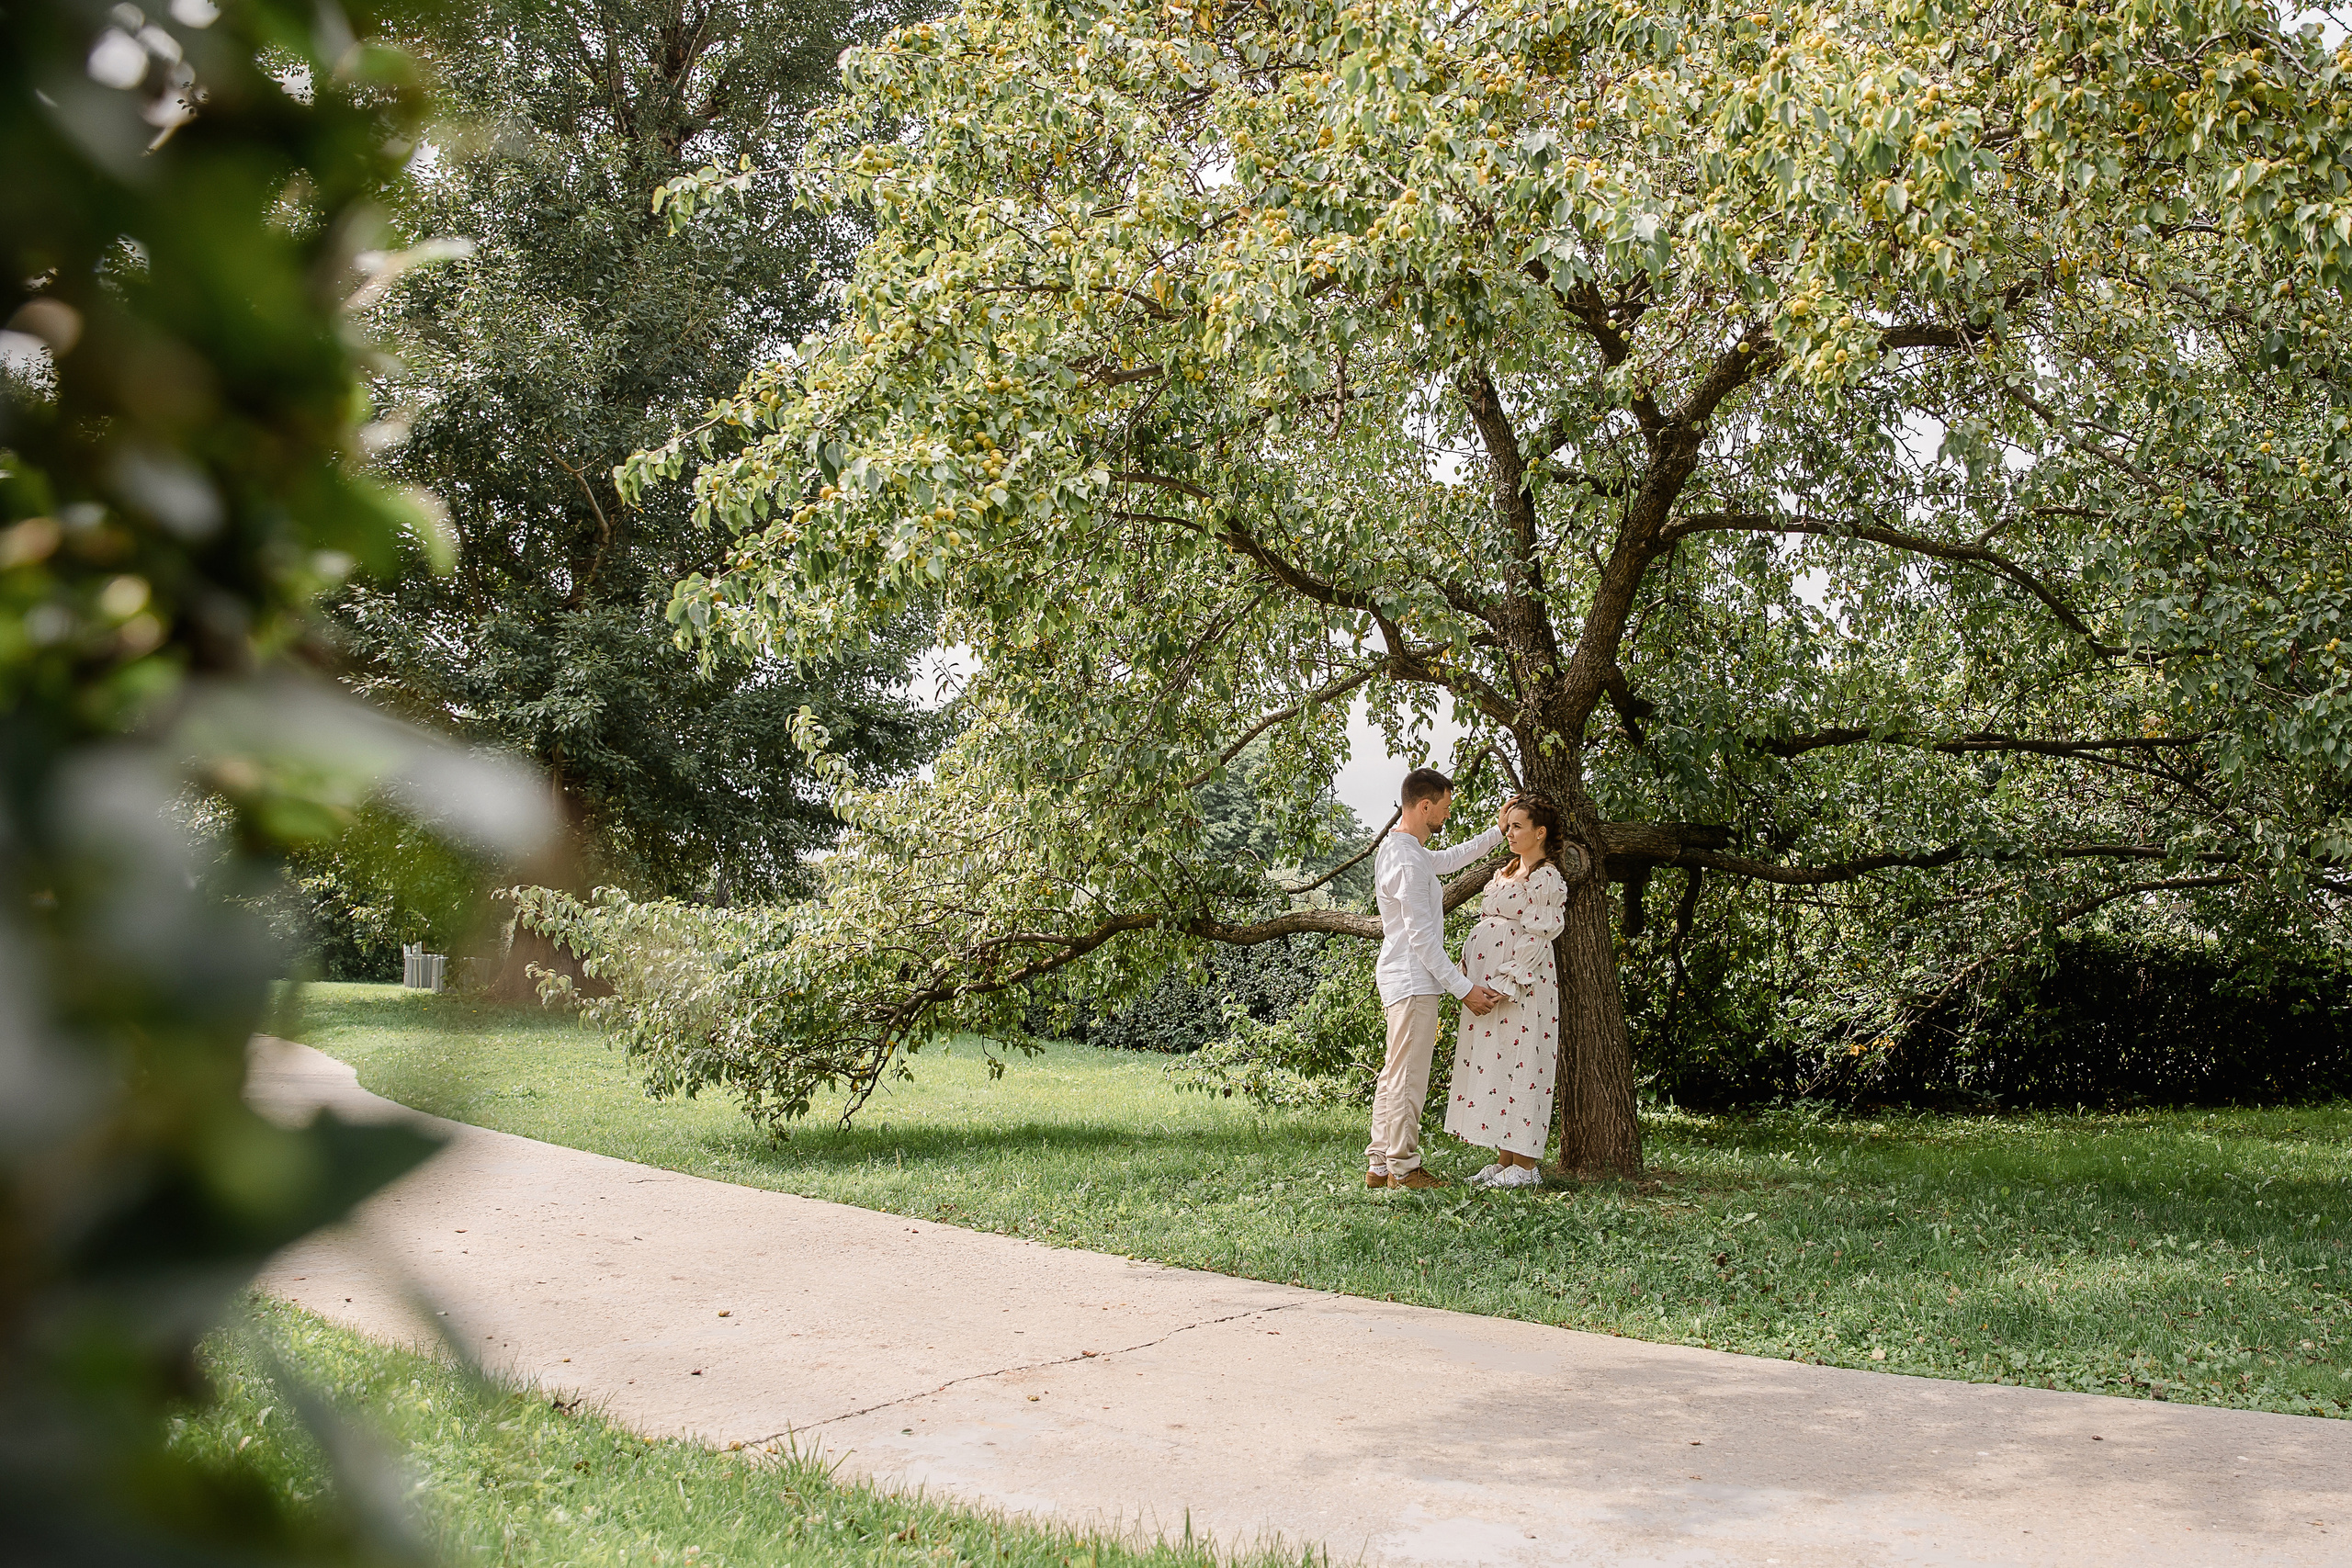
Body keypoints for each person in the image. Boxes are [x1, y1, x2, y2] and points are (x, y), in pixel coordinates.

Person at [1366, 766, 1504, 1190]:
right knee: (1408, 1076)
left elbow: (1452, 859)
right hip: (1412, 980)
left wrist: (1498, 832)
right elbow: (1422, 939)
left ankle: (1379, 1164)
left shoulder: (1404, 850)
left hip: (1405, 978)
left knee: (1395, 1072)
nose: (1446, 815)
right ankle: (1404, 1168)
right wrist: (1464, 990)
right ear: (1425, 806)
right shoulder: (1407, 859)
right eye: (1443, 807)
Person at [1445, 792, 1569, 1190]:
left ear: (1540, 832)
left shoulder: (1546, 877)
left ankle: (1526, 1165)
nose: (1509, 833)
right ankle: (1504, 1161)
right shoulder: (1506, 872)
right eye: (1508, 825)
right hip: (1487, 980)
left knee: (1523, 1061)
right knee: (1496, 1063)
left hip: (1521, 984)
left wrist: (1508, 978)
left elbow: (1540, 933)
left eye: (1517, 826)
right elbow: (1487, 921)